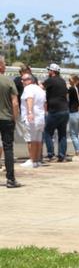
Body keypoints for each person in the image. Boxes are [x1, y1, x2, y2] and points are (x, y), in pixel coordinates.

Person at [0, 54, 21, 188]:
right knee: (8, 148)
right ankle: (10, 179)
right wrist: (15, 117)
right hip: (6, 118)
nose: (6, 65)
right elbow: (15, 102)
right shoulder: (8, 82)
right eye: (4, 63)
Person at [42, 62, 70, 162]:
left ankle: (51, 155)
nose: (48, 72)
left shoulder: (50, 80)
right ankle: (62, 156)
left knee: (48, 133)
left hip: (55, 111)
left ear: (53, 71)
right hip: (65, 110)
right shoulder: (62, 81)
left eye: (49, 70)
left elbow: (41, 87)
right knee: (62, 134)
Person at [20, 72, 46, 168]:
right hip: (40, 116)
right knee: (38, 139)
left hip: (32, 117)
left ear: (30, 80)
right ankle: (37, 160)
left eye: (24, 80)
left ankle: (32, 160)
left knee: (30, 139)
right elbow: (44, 103)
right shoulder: (40, 89)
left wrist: (30, 112)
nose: (22, 81)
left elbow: (29, 99)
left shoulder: (28, 88)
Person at [67, 75, 79, 160]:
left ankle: (78, 153)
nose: (69, 82)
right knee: (77, 133)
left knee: (73, 134)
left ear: (74, 81)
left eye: (70, 80)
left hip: (73, 112)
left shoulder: (72, 89)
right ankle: (78, 152)